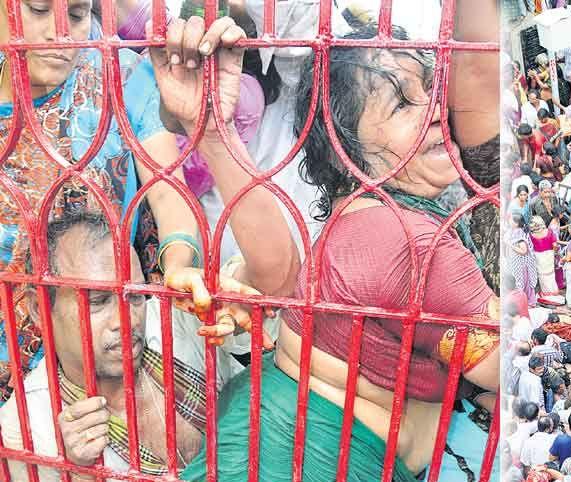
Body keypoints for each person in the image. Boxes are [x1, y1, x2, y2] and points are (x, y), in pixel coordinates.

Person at [151, 16, 502, 480]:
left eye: (433, 91)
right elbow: (507, 368)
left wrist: (215, 133)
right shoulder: (413, 242)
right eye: (401, 105)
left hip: (264, 431)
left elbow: (279, 274)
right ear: (347, 145)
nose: (436, 112)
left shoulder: (357, 213)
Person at [0, 0, 209, 404]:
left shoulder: (121, 74)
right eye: (39, 10)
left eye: (76, 15)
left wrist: (179, 266)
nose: (59, 34)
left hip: (95, 346)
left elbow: (169, 195)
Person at [0, 213, 257, 480]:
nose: (127, 320)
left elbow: (264, 273)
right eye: (98, 301)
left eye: (135, 296)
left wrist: (231, 301)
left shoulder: (177, 315)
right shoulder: (25, 427)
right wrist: (78, 472)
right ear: (39, 308)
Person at [510, 213, 540, 307]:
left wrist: (510, 246)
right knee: (525, 284)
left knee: (523, 284)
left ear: (516, 223)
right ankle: (528, 302)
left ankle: (528, 303)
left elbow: (524, 251)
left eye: (511, 220)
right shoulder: (518, 231)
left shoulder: (519, 234)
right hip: (522, 263)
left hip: (523, 264)